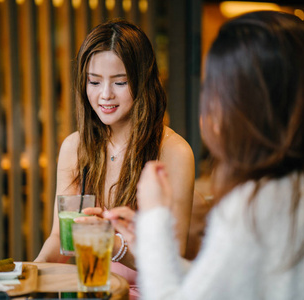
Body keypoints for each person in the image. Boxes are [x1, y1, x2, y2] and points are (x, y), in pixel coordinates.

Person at [105, 11, 304, 300]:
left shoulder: (249, 208)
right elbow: (219, 287)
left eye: (212, 88)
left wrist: (154, 215)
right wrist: (150, 242)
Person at [34, 19, 195, 299]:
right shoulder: (75, 147)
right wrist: (30, 274)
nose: (105, 95)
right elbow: (60, 238)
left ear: (142, 81)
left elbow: (172, 259)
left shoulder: (174, 152)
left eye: (120, 82)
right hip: (91, 291)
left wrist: (112, 243)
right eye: (94, 82)